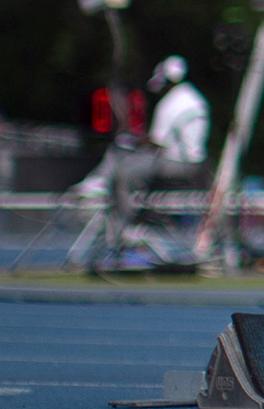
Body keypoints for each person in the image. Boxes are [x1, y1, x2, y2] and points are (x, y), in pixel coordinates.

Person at [73, 56, 210, 263]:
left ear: (168, 82)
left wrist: (132, 141)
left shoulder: (171, 104)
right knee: (130, 162)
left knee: (123, 171)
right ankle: (106, 189)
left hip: (177, 163)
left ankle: (125, 223)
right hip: (197, 163)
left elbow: (157, 142)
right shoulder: (195, 98)